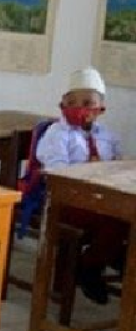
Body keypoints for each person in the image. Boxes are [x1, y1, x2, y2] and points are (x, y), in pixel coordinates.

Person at [35, 67, 126, 304]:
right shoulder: (58, 134)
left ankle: (109, 258)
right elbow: (57, 173)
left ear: (100, 109)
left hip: (99, 201)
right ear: (62, 105)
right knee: (115, 222)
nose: (79, 108)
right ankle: (89, 267)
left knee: (126, 217)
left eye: (88, 102)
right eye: (72, 102)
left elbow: (117, 163)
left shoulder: (107, 136)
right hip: (67, 203)